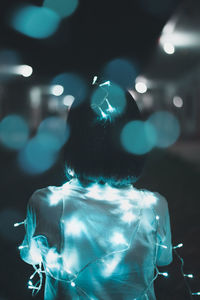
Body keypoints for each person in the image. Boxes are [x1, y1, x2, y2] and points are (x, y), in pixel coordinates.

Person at [19, 81, 172, 300]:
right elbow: (163, 259)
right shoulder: (154, 206)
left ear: (72, 140)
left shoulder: (45, 203)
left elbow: (30, 256)